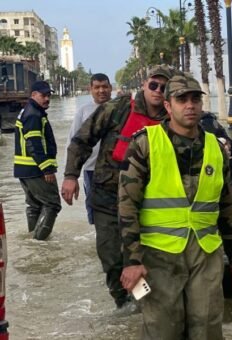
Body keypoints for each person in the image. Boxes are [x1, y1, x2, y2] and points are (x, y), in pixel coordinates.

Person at [118, 74, 232, 339]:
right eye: (181, 99)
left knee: (207, 325)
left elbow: (228, 208)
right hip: (159, 255)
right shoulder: (145, 143)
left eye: (195, 99)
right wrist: (132, 260)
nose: (190, 105)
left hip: (206, 253)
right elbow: (126, 205)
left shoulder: (216, 148)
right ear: (168, 106)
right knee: (162, 328)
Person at [61, 65, 174, 308]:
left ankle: (142, 304)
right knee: (112, 258)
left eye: (164, 88)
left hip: (149, 202)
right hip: (107, 197)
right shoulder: (117, 108)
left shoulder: (172, 117)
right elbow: (82, 140)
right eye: (153, 85)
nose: (158, 91)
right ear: (144, 84)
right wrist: (71, 175)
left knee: (144, 258)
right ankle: (123, 304)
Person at [13, 81, 60, 240]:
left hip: (24, 169)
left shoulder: (28, 111)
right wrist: (46, 168)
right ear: (33, 95)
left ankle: (33, 240)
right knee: (52, 204)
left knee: (34, 206)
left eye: (49, 95)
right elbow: (34, 144)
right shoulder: (33, 114)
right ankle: (40, 241)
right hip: (35, 169)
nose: (47, 98)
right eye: (43, 95)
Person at [64, 73, 113, 225]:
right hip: (91, 170)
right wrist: (71, 176)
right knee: (94, 209)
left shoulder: (121, 109)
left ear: (110, 88)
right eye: (97, 87)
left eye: (104, 86)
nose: (101, 90)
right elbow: (73, 143)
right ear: (90, 89)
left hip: (117, 170)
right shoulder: (84, 111)